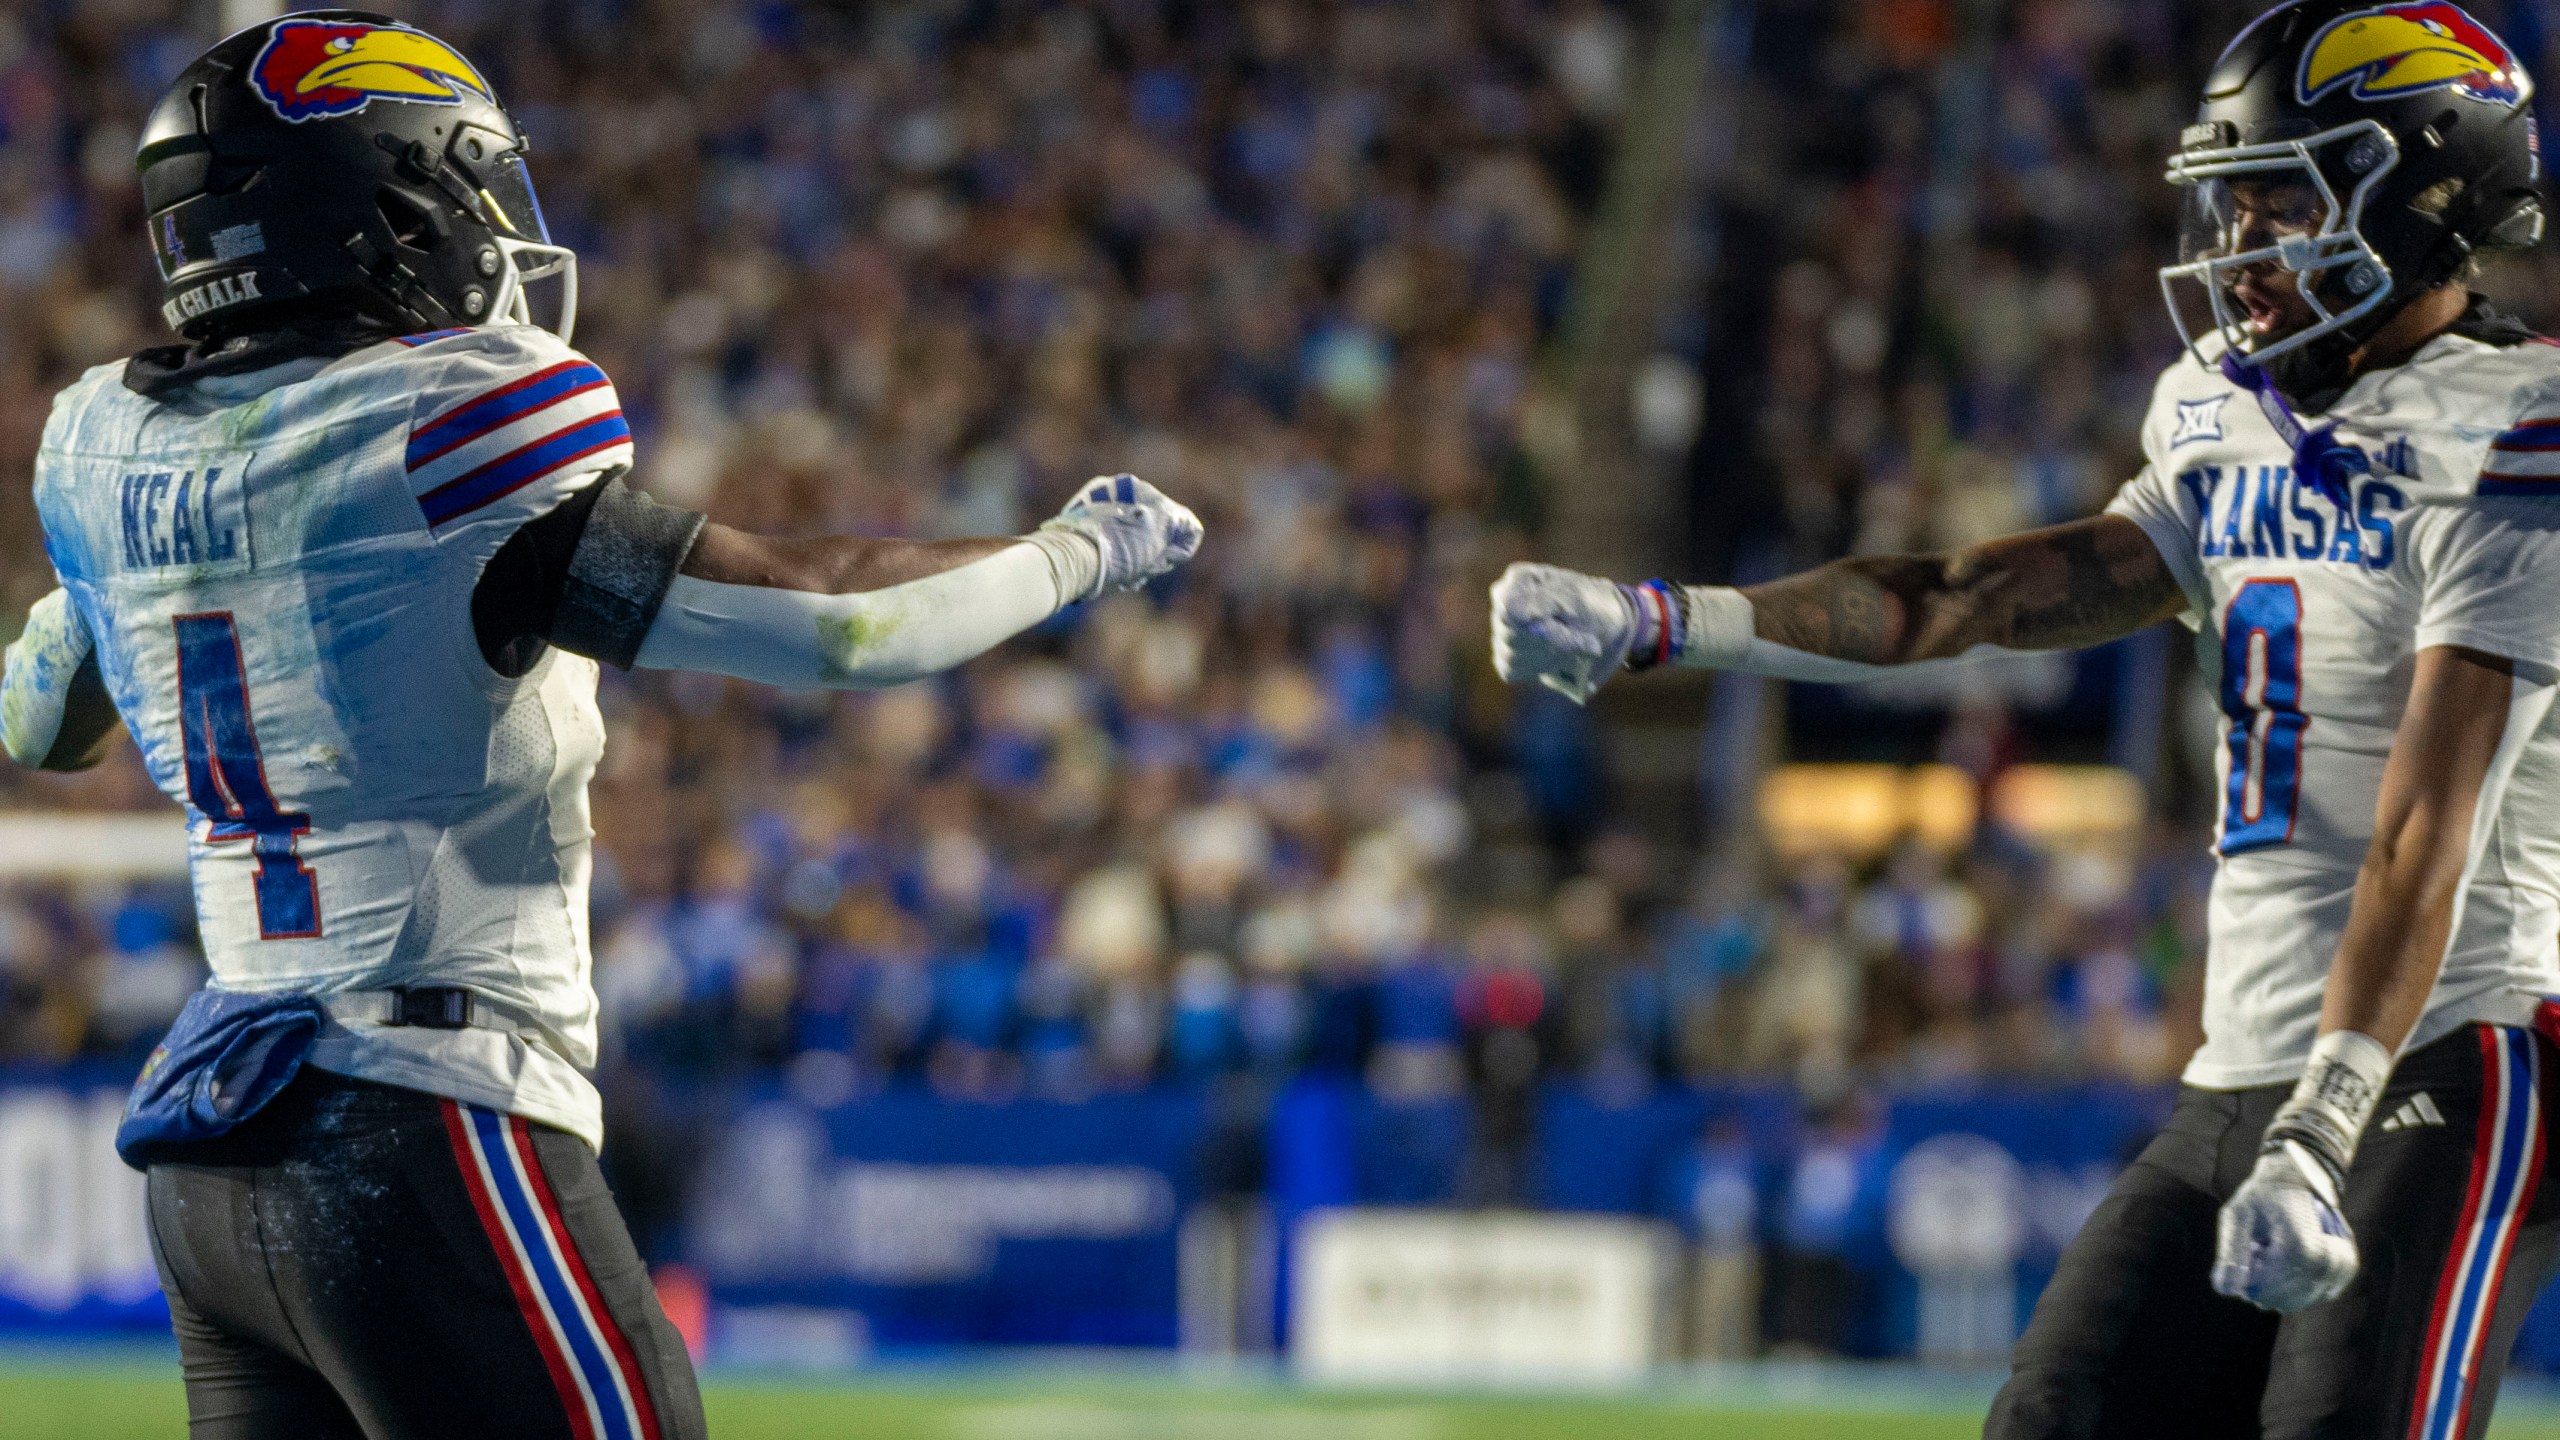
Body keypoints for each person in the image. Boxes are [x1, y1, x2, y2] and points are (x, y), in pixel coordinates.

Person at [0, 12, 1200, 1440]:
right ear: (388, 204)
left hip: (214, 1152)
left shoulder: (109, 451)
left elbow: (39, 723)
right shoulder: (439, 429)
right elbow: (842, 622)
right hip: (419, 1118)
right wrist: (1080, 550)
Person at [1493, 2, 2560, 1434]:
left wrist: (2325, 1121)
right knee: (2054, 1413)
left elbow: (2426, 827)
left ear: (2429, 194)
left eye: (2286, 195)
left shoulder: (2516, 428)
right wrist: (1671, 623)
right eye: (2233, 195)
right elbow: (1970, 596)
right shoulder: (2218, 411)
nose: (2242, 241)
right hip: (2244, 1061)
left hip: (2452, 1053)